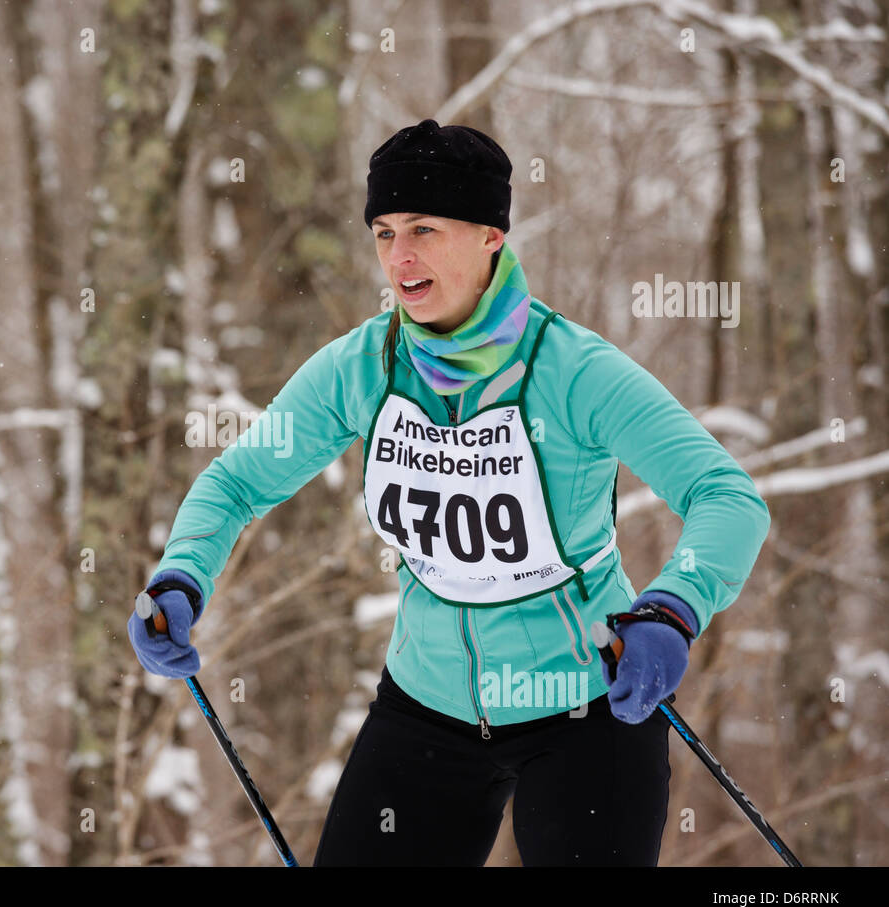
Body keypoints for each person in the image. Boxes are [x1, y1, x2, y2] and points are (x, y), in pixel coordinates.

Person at [126, 119, 770, 866]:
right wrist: (183, 573)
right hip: (424, 712)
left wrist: (673, 609)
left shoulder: (572, 371)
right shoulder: (363, 367)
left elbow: (725, 494)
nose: (400, 256)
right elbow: (237, 480)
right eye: (384, 231)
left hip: (585, 709)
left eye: (425, 228)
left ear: (490, 234)